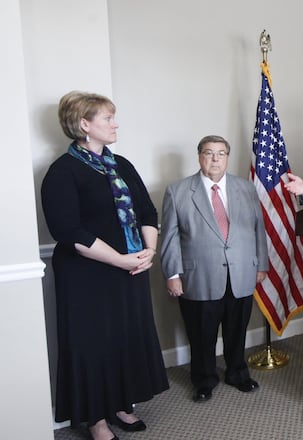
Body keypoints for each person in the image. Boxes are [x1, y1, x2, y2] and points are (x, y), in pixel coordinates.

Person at [41, 91, 169, 440]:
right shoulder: (62, 171)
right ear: (84, 125)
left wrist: (149, 252)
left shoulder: (122, 165)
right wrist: (120, 258)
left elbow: (146, 211)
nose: (115, 124)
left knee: (125, 339)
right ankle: (96, 419)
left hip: (130, 269)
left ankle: (121, 404)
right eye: (108, 118)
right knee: (93, 344)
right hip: (87, 276)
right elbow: (69, 231)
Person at [160, 135, 269, 403]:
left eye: (221, 153)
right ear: (199, 156)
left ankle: (237, 373)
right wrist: (172, 274)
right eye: (209, 153)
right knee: (201, 335)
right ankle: (204, 380)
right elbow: (170, 237)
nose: (215, 159)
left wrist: (261, 264)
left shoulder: (246, 188)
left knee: (237, 330)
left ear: (227, 158)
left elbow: (258, 229)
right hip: (199, 277)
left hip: (241, 273)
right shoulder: (178, 191)